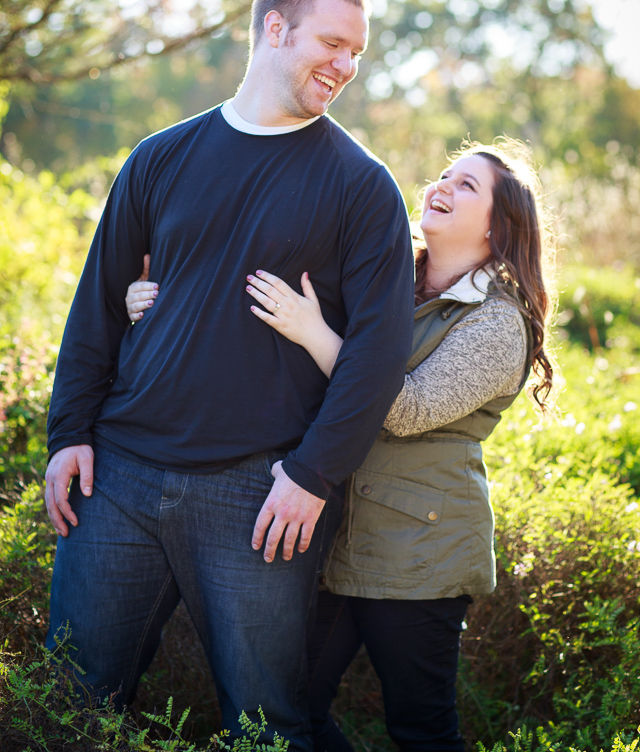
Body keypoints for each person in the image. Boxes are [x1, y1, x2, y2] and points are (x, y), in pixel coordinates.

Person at [44, 0, 416, 750]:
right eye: (333, 43)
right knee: (69, 698)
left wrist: (313, 476)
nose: (346, 67)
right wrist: (69, 430)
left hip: (260, 495)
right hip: (118, 479)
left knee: (266, 725)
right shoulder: (160, 156)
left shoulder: (362, 185)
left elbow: (379, 356)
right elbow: (100, 305)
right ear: (274, 29)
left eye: (358, 53)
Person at [127, 139, 554, 752]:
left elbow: (406, 409)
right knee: (291, 708)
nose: (442, 186)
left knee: (422, 730)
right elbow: (262, 305)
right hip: (336, 539)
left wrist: (314, 332)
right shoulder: (387, 273)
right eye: (443, 174)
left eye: (468, 187)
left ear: (499, 226)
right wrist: (151, 301)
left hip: (419, 556)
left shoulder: (497, 322)